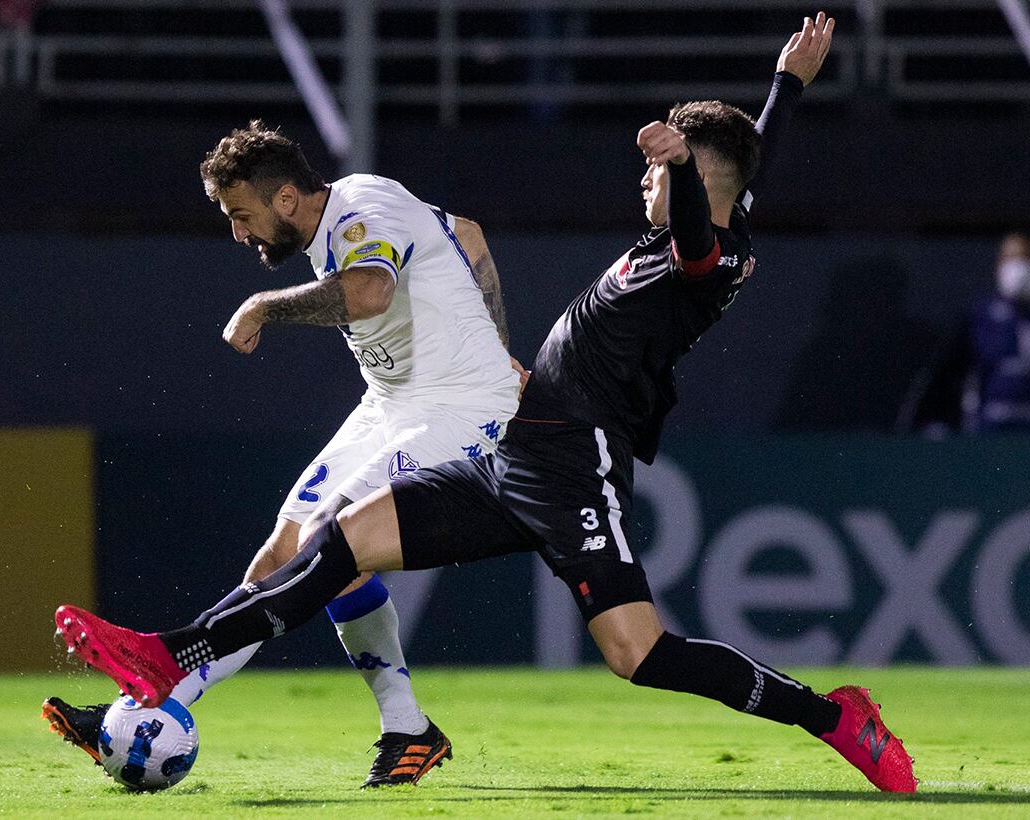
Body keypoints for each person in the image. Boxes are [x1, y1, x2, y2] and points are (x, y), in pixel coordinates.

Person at [53, 13, 916, 793]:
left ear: (699, 182)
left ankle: (834, 717)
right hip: (519, 445)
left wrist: (680, 167)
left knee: (637, 653)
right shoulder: (711, 213)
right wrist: (785, 88)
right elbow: (745, 161)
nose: (642, 188)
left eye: (657, 178)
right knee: (337, 545)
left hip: (578, 457)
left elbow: (699, 224)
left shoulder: (708, 259)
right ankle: (174, 656)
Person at [43, 122, 525, 788]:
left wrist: (265, 306)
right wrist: (499, 340)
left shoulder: (363, 211)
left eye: (242, 215)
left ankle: (175, 670)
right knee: (282, 553)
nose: (239, 233)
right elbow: (465, 231)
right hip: (393, 403)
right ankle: (172, 700)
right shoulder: (354, 211)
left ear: (288, 200)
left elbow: (371, 293)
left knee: (336, 541)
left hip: (461, 406)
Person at [906, 232, 1030, 433]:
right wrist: (934, 423)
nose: (1022, 268)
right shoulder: (979, 319)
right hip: (990, 438)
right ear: (999, 265)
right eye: (1014, 258)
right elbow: (947, 376)